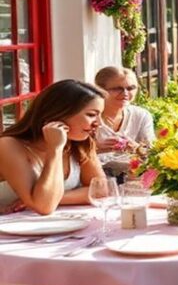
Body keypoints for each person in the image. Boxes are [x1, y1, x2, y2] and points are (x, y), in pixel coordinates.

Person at [0, 80, 107, 215]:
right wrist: (55, 149)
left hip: (55, 224)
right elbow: (44, 207)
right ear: (59, 112)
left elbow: (100, 189)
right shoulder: (8, 145)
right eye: (91, 115)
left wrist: (56, 198)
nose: (99, 123)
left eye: (100, 115)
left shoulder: (81, 143)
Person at [94, 67, 155, 153]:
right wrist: (94, 148)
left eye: (130, 88)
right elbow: (75, 152)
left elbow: (152, 152)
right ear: (100, 90)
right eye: (117, 89)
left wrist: (137, 148)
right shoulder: (88, 116)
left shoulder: (141, 115)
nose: (125, 93)